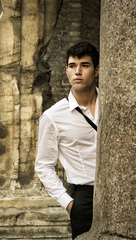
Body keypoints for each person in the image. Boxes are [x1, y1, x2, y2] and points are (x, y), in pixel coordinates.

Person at [35, 41, 99, 239]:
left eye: (85, 65)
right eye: (72, 66)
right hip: (85, 198)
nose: (77, 71)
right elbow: (44, 166)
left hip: (122, 192)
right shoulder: (53, 116)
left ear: (96, 71)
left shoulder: (112, 103)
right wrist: (69, 204)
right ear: (66, 71)